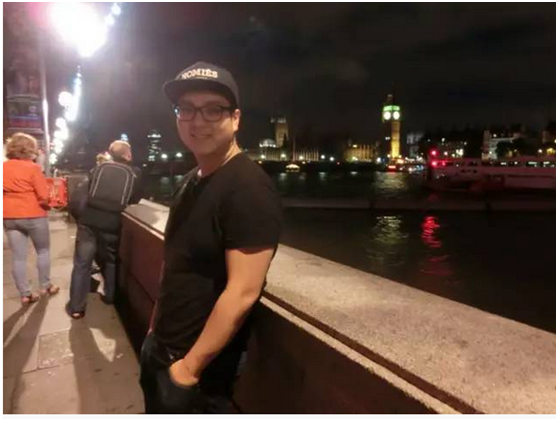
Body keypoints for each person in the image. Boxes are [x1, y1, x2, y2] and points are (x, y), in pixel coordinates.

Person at [139, 62, 282, 414]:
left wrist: (188, 371)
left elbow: (243, 292)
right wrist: (154, 330)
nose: (197, 121)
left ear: (235, 119)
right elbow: (175, 260)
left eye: (212, 110)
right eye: (186, 108)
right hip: (161, 347)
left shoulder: (249, 189)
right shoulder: (191, 180)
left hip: (199, 370)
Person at [67, 140, 142, 319]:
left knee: (82, 264)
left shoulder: (99, 168)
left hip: (89, 220)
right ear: (128, 154)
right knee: (110, 261)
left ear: (111, 153)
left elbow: (88, 190)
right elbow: (135, 198)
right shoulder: (134, 173)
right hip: (111, 222)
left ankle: (77, 307)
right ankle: (109, 297)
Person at [3, 133, 60, 304]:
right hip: (33, 214)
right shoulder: (33, 168)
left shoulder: (3, 168)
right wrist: (49, 205)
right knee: (43, 251)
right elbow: (43, 195)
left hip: (9, 216)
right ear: (29, 149)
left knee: (18, 257)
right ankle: (45, 286)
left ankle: (25, 294)